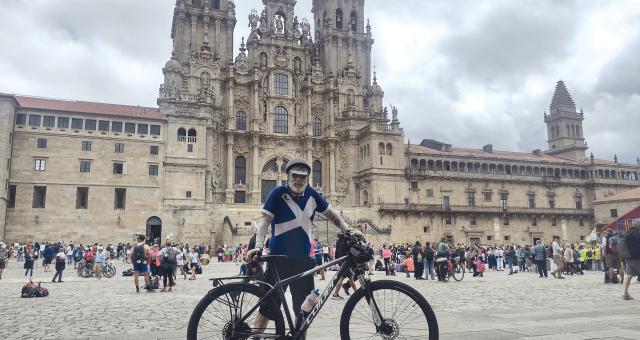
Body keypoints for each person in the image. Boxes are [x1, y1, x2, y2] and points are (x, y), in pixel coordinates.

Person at [250, 158, 351, 339]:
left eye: (302, 177)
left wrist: (348, 230)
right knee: (267, 308)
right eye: (294, 176)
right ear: (288, 177)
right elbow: (265, 222)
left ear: (307, 179)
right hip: (278, 260)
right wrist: (258, 246)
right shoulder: (277, 193)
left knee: (304, 311)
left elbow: (332, 215)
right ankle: (254, 336)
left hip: (303, 261)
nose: (298, 180)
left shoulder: (312, 195)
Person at [622, 219, 640, 300]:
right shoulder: (638, 233)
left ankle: (625, 293)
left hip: (628, 257)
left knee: (628, 275)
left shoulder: (627, 232)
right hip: (638, 257)